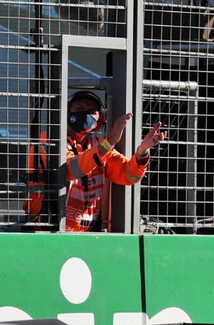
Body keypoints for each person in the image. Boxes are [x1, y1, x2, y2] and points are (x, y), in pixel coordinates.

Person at [62, 90, 165, 233]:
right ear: (67, 111)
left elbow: (128, 174)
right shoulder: (50, 142)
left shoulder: (99, 145)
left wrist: (142, 151)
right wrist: (110, 141)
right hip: (49, 230)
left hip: (86, 234)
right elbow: (69, 169)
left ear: (99, 121)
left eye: (92, 111)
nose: (85, 114)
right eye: (79, 109)